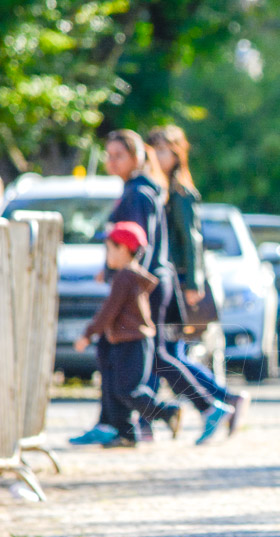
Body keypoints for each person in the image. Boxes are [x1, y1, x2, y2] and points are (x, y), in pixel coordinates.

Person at [71, 129, 231, 446]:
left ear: (136, 157)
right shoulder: (140, 189)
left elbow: (136, 243)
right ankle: (120, 426)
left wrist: (125, 280)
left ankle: (207, 406)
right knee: (133, 352)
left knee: (145, 354)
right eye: (109, 154)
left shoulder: (138, 193)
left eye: (119, 155)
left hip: (144, 285)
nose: (111, 161)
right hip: (146, 282)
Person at [147, 125, 250, 434]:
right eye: (153, 150)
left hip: (178, 282)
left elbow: (192, 242)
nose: (157, 156)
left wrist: (193, 283)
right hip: (170, 281)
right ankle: (224, 399)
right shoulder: (161, 189)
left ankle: (217, 402)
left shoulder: (179, 194)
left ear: (177, 154)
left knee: (167, 354)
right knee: (171, 354)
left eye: (163, 150)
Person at [73, 222, 182, 448]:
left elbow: (109, 310)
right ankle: (126, 435)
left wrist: (88, 334)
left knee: (127, 390)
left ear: (123, 249)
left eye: (109, 249)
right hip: (125, 341)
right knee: (116, 390)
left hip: (133, 342)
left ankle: (167, 411)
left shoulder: (125, 277)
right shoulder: (126, 275)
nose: (107, 255)